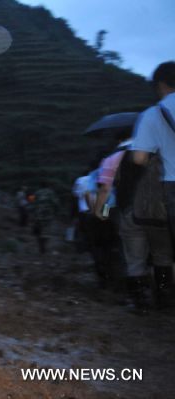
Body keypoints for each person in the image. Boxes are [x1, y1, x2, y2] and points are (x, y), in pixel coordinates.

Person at [94, 129, 172, 313]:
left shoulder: (114, 158)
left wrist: (100, 211)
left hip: (130, 213)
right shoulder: (160, 152)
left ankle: (140, 302)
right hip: (160, 214)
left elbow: (105, 190)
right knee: (163, 257)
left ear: (120, 138)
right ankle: (164, 299)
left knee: (135, 260)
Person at [131, 61, 175, 306]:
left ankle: (164, 299)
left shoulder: (154, 114)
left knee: (164, 252)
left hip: (171, 185)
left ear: (160, 85)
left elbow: (139, 158)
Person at [30, 182, 60, 254]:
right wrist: (56, 212)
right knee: (46, 230)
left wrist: (33, 212)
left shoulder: (36, 193)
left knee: (39, 230)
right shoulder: (51, 193)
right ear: (48, 186)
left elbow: (32, 202)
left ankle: (40, 246)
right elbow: (56, 203)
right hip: (48, 214)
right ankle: (44, 246)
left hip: (38, 214)